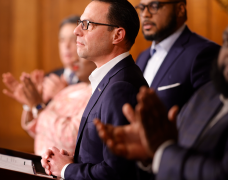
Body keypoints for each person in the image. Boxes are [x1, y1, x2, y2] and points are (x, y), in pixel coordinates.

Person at [94, 26, 228, 180]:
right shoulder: (207, 92)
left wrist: (162, 150)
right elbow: (183, 153)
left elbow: (220, 174)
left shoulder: (200, 54)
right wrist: (149, 153)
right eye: (227, 43)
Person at [40, 0, 148, 179]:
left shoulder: (121, 87)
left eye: (87, 24)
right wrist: (70, 161)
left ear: (117, 35)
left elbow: (116, 172)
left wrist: (67, 170)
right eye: (80, 23)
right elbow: (103, 156)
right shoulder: (112, 78)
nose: (77, 31)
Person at [135, 0, 220, 110]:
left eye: (154, 6)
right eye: (142, 8)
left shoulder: (204, 53)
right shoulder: (142, 57)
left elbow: (206, 116)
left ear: (180, 9)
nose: (145, 14)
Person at [2, 57, 95, 155]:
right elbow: (42, 131)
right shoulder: (77, 88)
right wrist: (30, 104)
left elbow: (71, 138)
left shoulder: (96, 93)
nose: (74, 59)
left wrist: (37, 106)